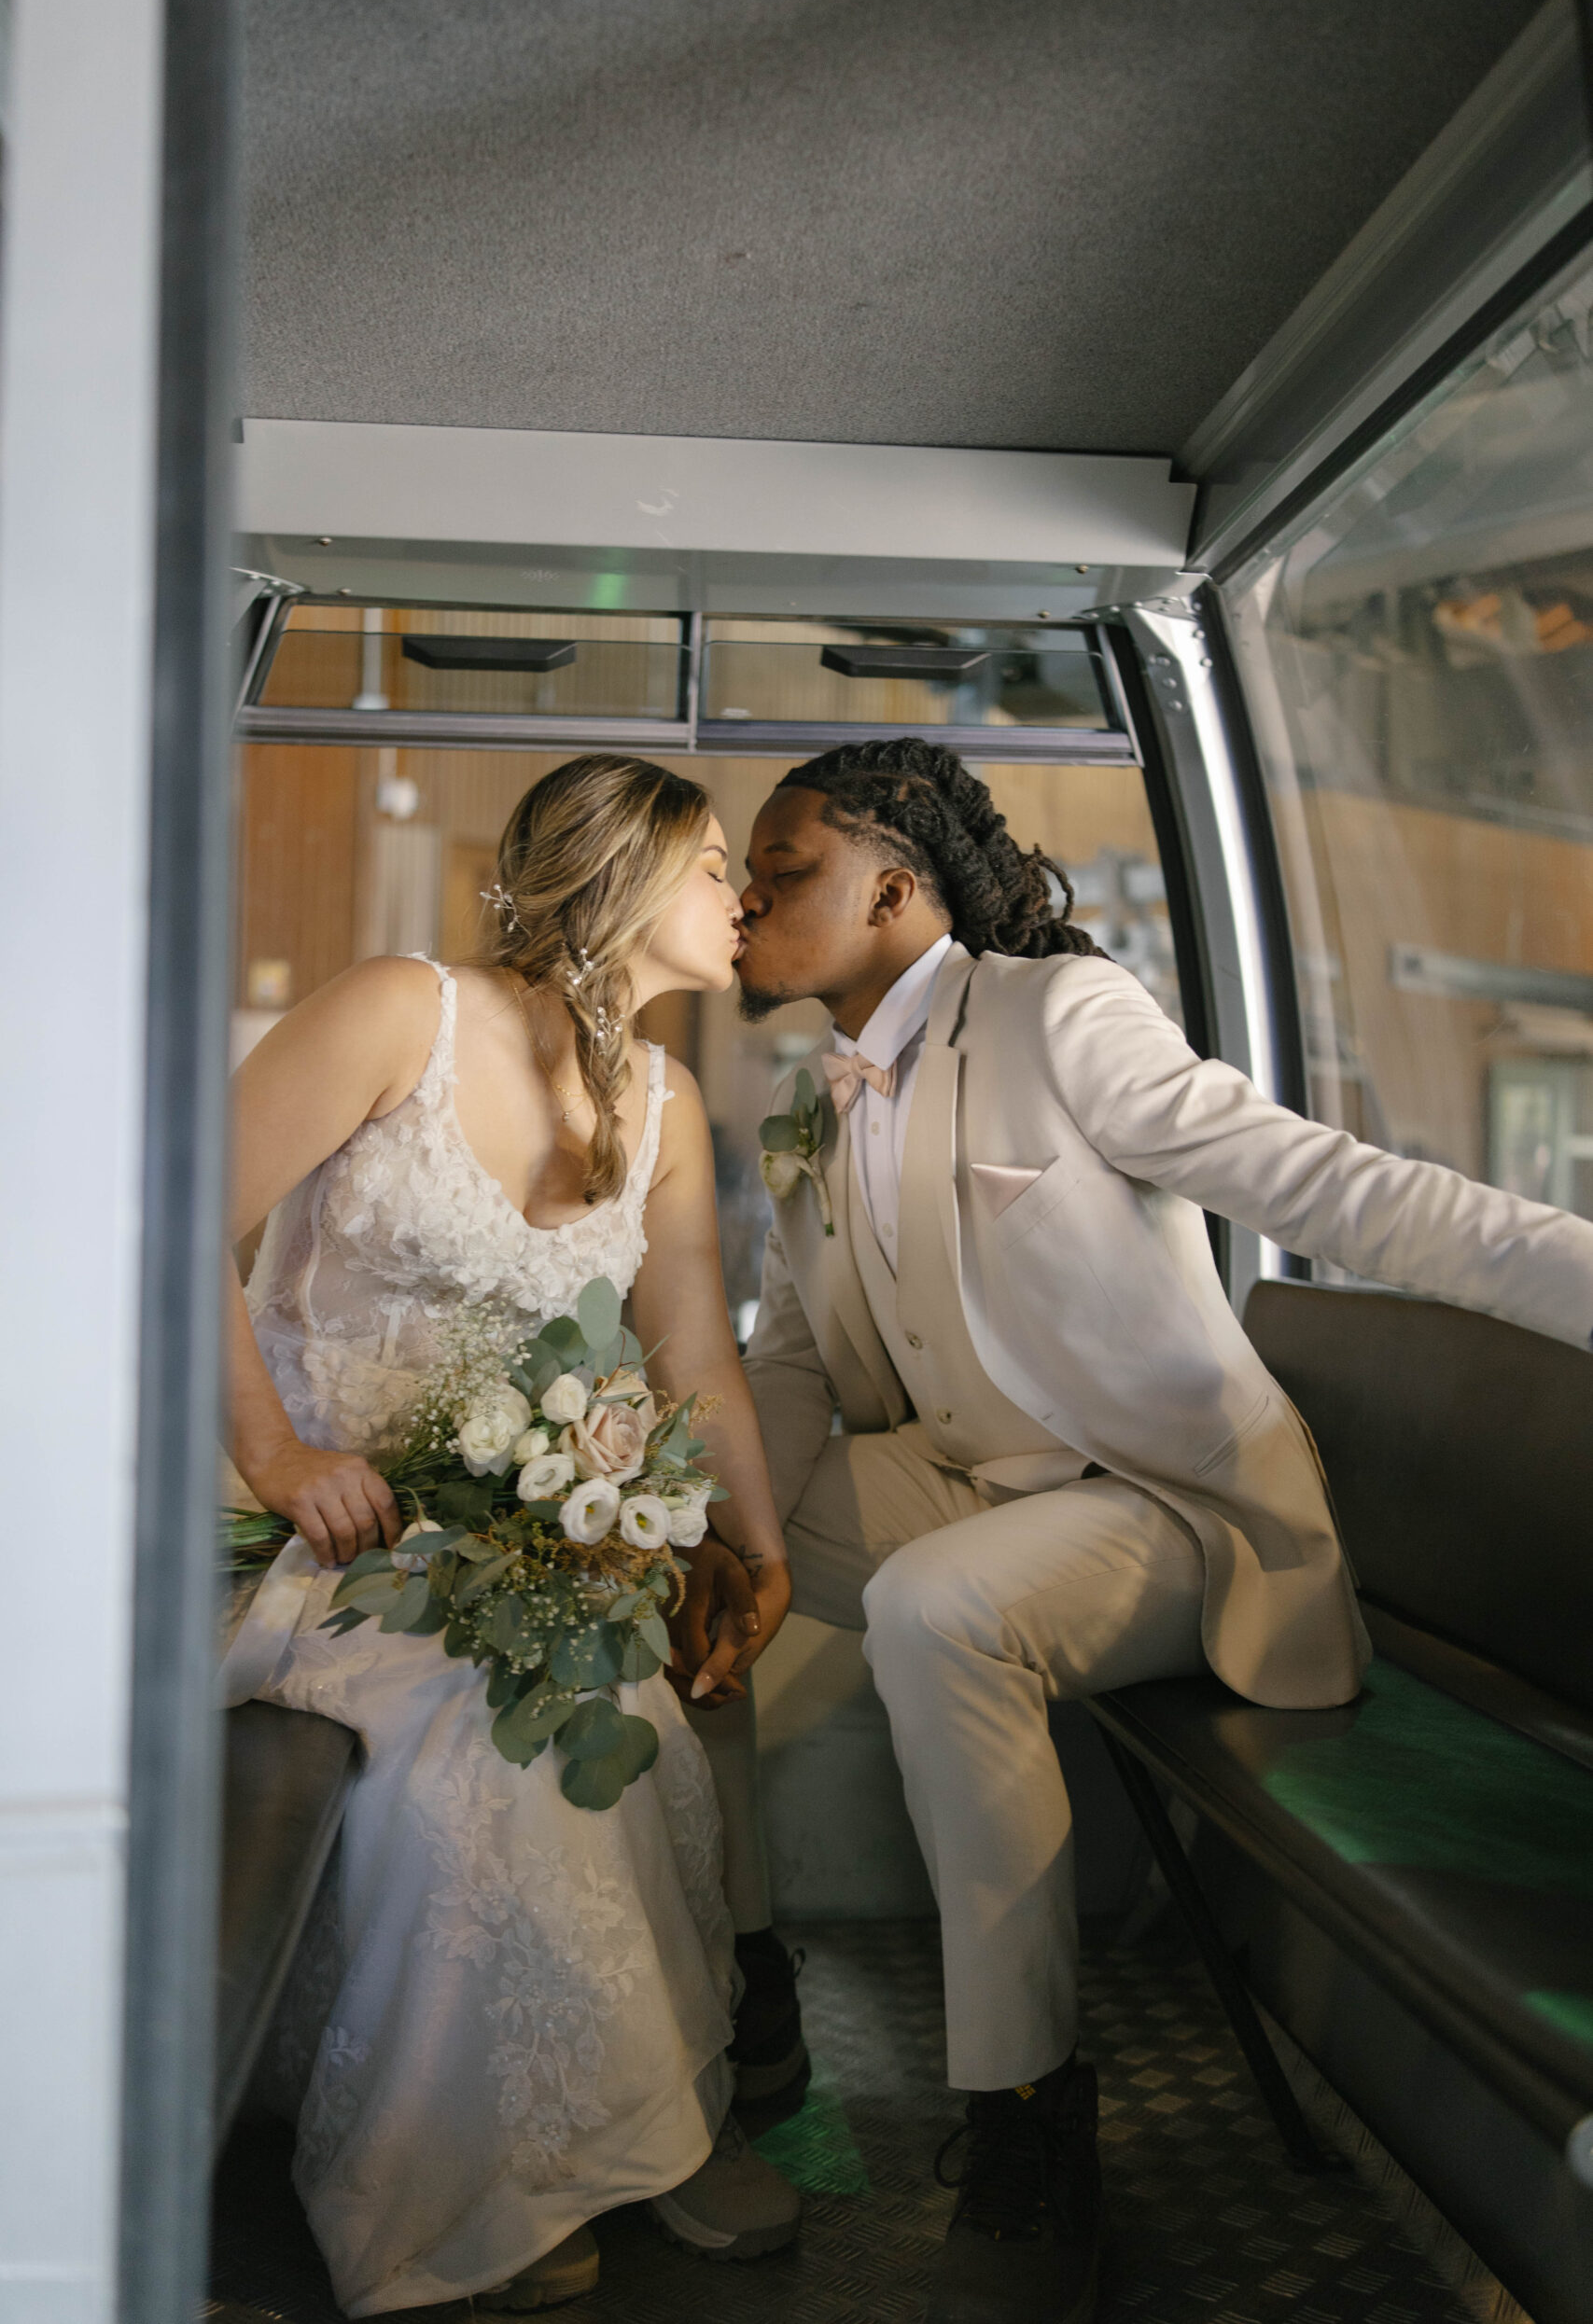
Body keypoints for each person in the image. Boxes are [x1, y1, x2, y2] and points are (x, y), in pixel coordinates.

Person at [692, 735, 1593, 2324]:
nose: (746, 903)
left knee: (935, 1610)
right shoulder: (804, 1104)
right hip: (966, 1485)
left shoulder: (1056, 1016)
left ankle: (1031, 2124)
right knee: (666, 1553)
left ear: (896, 892)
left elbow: (1333, 1187)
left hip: (1169, 1508)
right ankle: (750, 1980)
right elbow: (792, 1366)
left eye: (783, 871)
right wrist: (740, 1540)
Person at [220, 755, 799, 2317]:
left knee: (610, 1690)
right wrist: (278, 1455)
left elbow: (693, 1351)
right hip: (323, 1543)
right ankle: (492, 2174)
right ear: (623, 871)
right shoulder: (397, 1010)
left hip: (498, 1543)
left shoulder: (665, 1103)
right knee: (491, 1726)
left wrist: (757, 1550)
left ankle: (628, 2126)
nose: (741, 896)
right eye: (713, 866)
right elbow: (167, 1208)